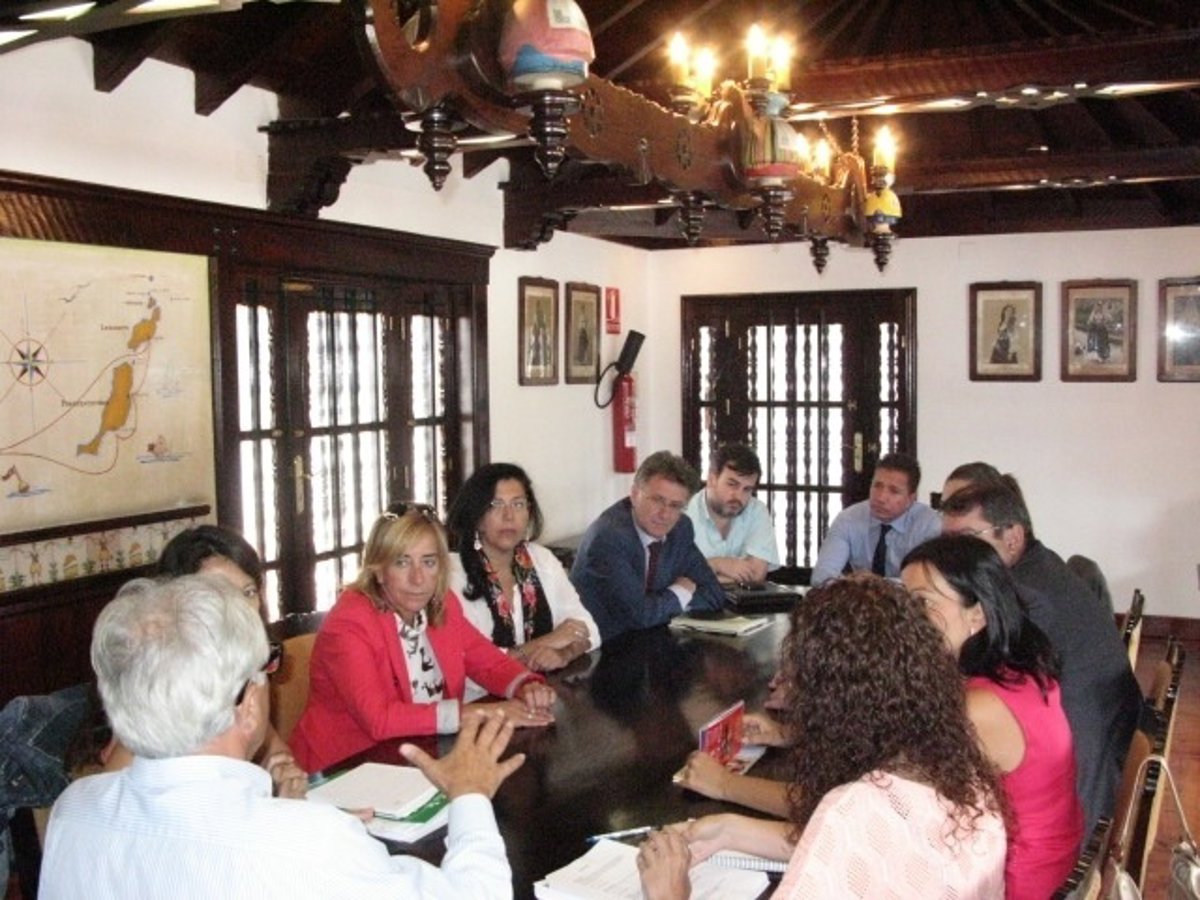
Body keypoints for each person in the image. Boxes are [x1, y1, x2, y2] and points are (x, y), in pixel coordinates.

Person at [40, 574, 524, 899]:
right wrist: (469, 794)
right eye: (265, 670)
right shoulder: (310, 845)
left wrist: (298, 822)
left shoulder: (74, 810)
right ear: (250, 704)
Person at [640, 574, 1007, 900]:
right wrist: (729, 831)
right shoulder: (960, 774)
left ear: (829, 704)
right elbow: (865, 850)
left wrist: (670, 894)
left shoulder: (854, 807)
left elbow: (849, 836)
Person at [289, 505, 557, 773]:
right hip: (344, 769)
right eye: (402, 562)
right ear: (378, 570)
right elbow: (380, 719)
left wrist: (526, 686)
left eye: (428, 562)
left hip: (417, 755)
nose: (418, 579)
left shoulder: (441, 603)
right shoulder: (350, 623)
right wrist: (480, 713)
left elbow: (487, 662)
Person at [940, 483, 1142, 834]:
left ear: (1013, 538)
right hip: (1103, 746)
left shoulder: (1027, 597)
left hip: (1082, 783)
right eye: (948, 540)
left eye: (968, 538)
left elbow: (981, 685)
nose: (953, 554)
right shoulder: (1041, 567)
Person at [901, 535, 1083, 900]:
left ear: (977, 615)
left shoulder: (980, 707)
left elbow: (883, 779)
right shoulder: (1016, 671)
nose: (905, 619)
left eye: (922, 603)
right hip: (1053, 866)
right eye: (903, 603)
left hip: (1017, 882)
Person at [156, 524, 306, 798]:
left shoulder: (248, 669)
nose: (243, 611)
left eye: (248, 592)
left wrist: (282, 776)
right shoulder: (155, 687)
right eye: (220, 596)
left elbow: (275, 751)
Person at [445, 462, 598, 671]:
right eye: (495, 505)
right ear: (477, 517)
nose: (509, 516)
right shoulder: (452, 574)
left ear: (529, 512)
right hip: (483, 692)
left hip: (542, 687)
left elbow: (589, 630)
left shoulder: (542, 560)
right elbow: (472, 665)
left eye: (518, 504)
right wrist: (549, 641)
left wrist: (564, 654)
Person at [570, 451, 725, 642]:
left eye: (675, 505)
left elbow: (713, 593)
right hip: (603, 646)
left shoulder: (681, 528)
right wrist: (681, 592)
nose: (665, 514)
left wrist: (661, 605)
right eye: (657, 500)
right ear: (635, 494)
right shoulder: (608, 538)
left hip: (653, 638)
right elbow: (639, 615)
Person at [810, 451, 941, 585]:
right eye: (877, 486)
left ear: (911, 498)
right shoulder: (848, 519)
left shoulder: (930, 525)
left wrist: (875, 584)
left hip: (909, 598)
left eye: (894, 491)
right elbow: (821, 578)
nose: (881, 498)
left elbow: (930, 583)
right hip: (860, 596)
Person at [684, 443, 779, 585]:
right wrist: (718, 564)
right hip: (693, 598)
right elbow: (676, 576)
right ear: (712, 480)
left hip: (742, 599)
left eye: (747, 489)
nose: (738, 496)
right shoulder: (684, 513)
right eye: (732, 484)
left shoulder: (756, 511)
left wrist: (701, 572)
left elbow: (756, 575)